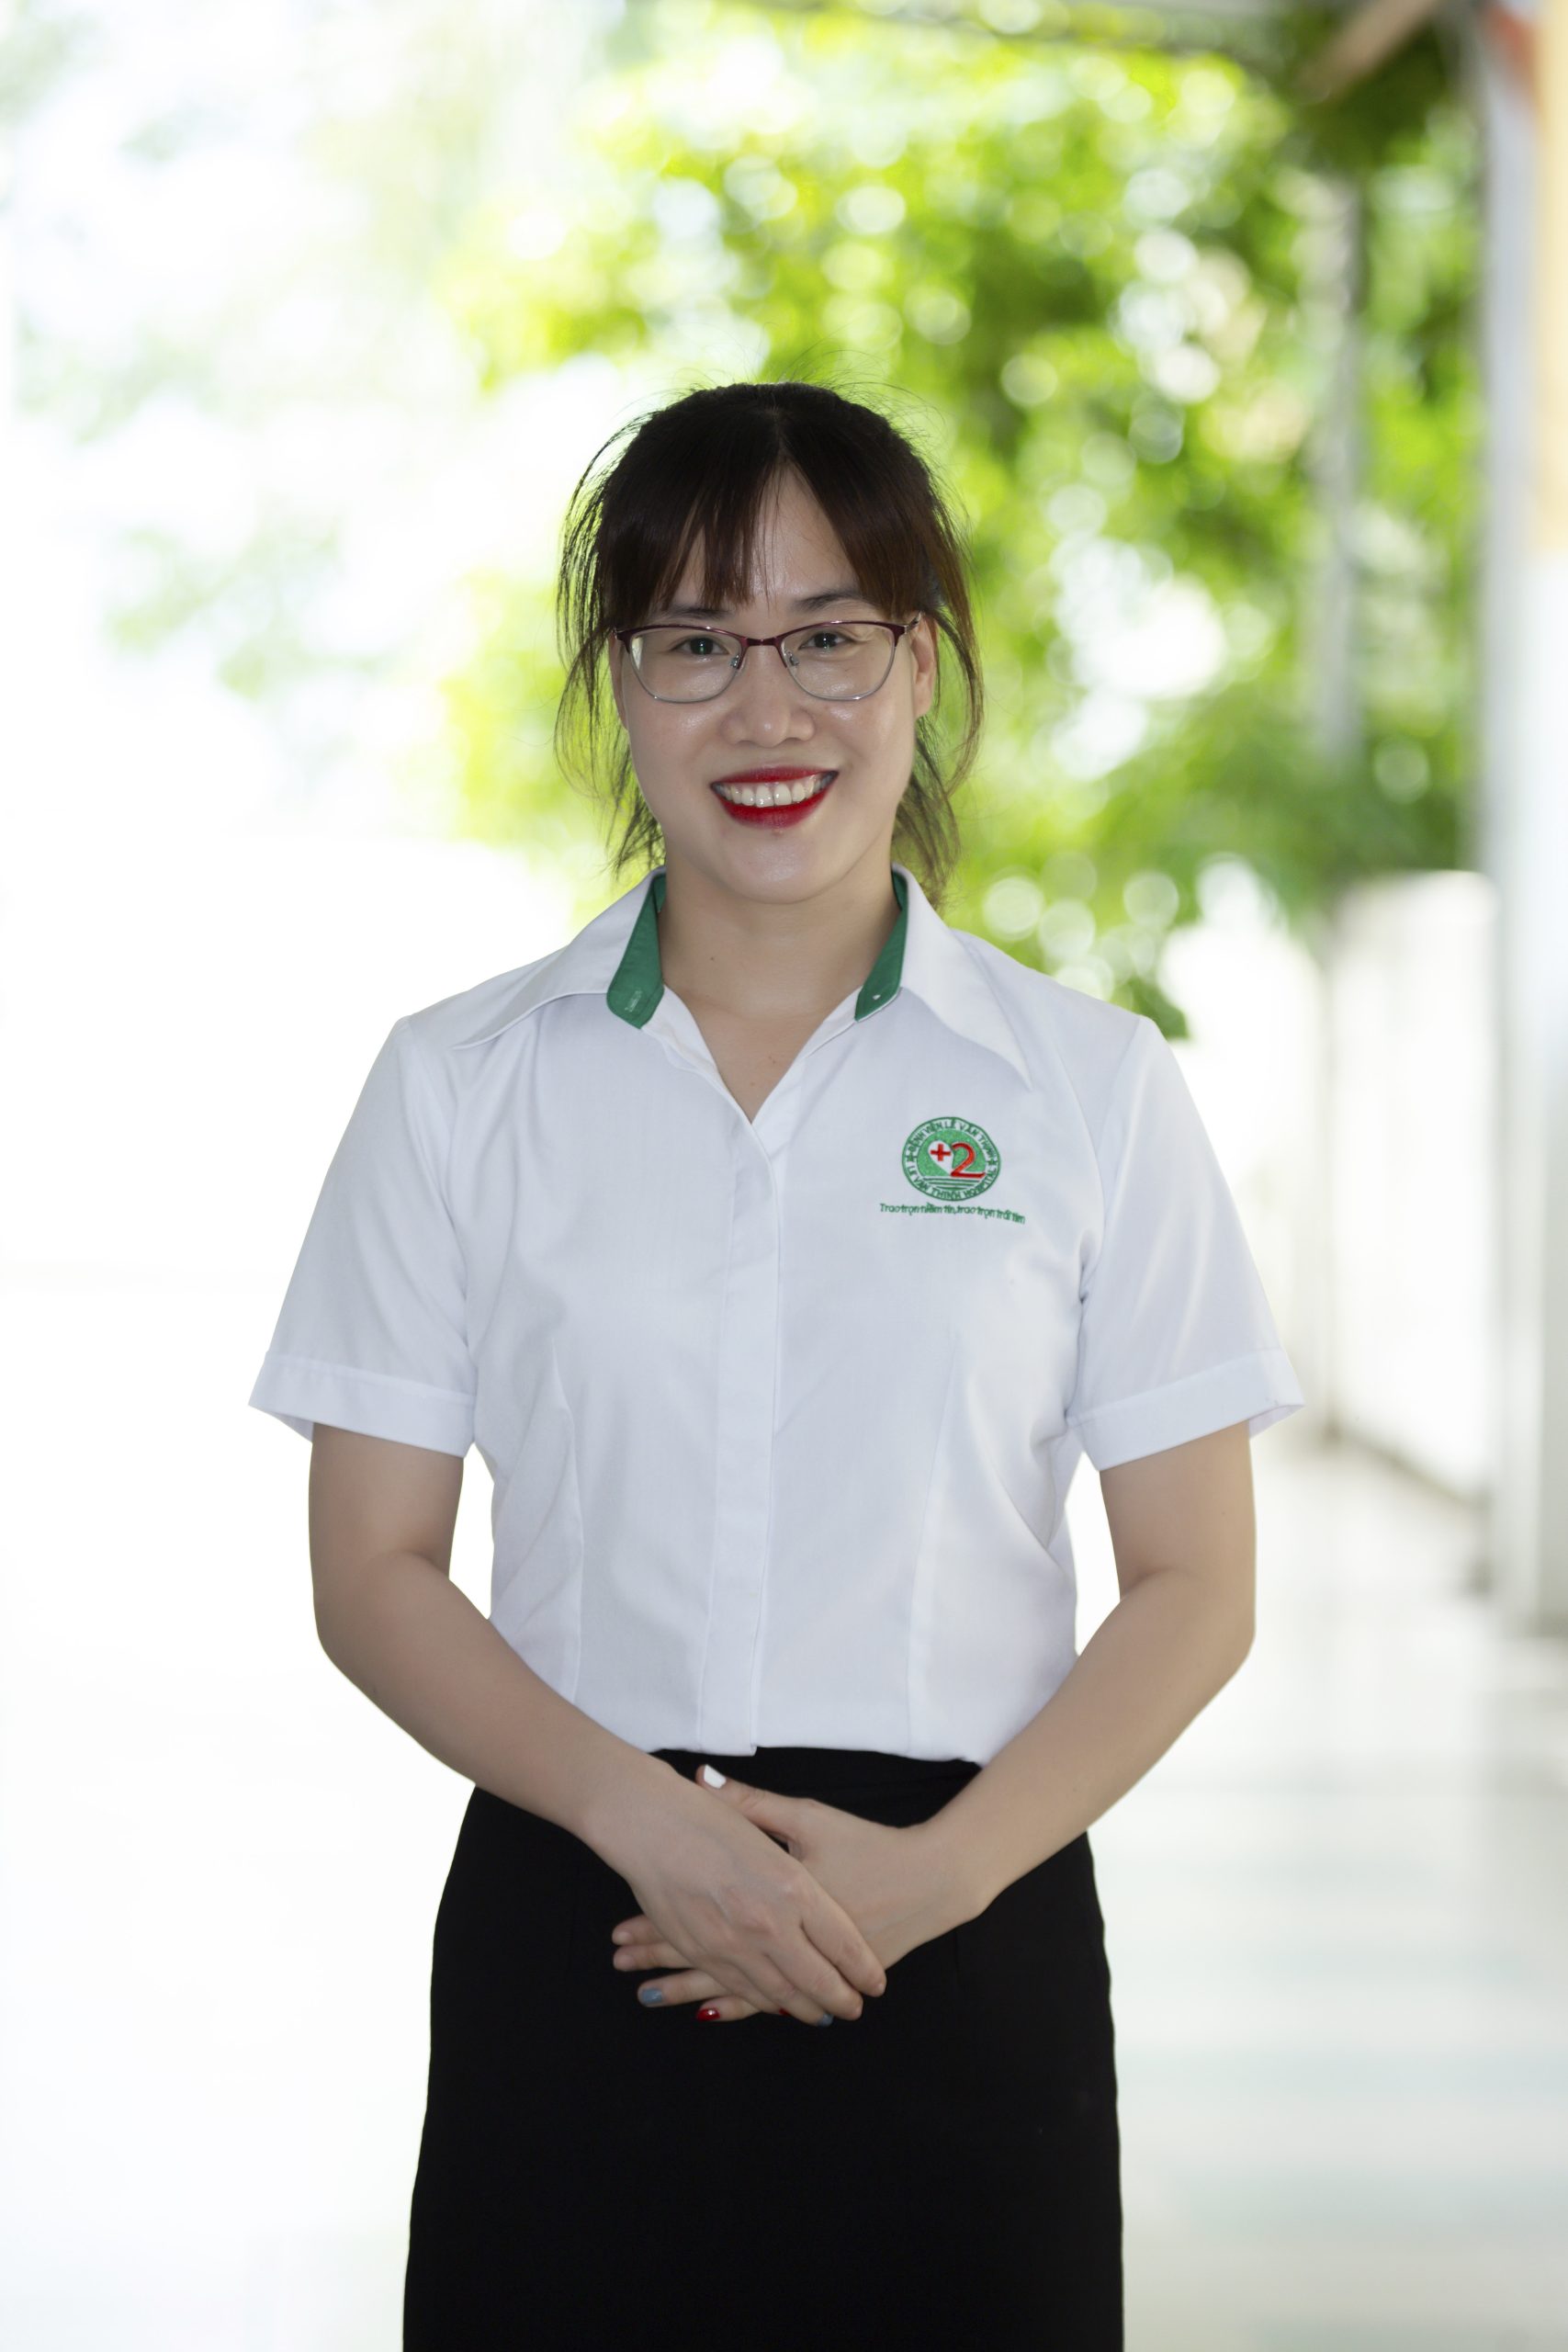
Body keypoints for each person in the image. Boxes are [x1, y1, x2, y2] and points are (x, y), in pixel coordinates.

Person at [248, 377, 1304, 2349]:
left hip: (960, 1927)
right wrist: (648, 1823)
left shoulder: (1088, 1091)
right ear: (619, 684)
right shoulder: (459, 1083)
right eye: (696, 644)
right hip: (583, 1908)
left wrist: (932, 1881)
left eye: (828, 638)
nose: (767, 710)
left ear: (923, 671)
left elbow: (1195, 1581)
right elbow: (371, 1568)